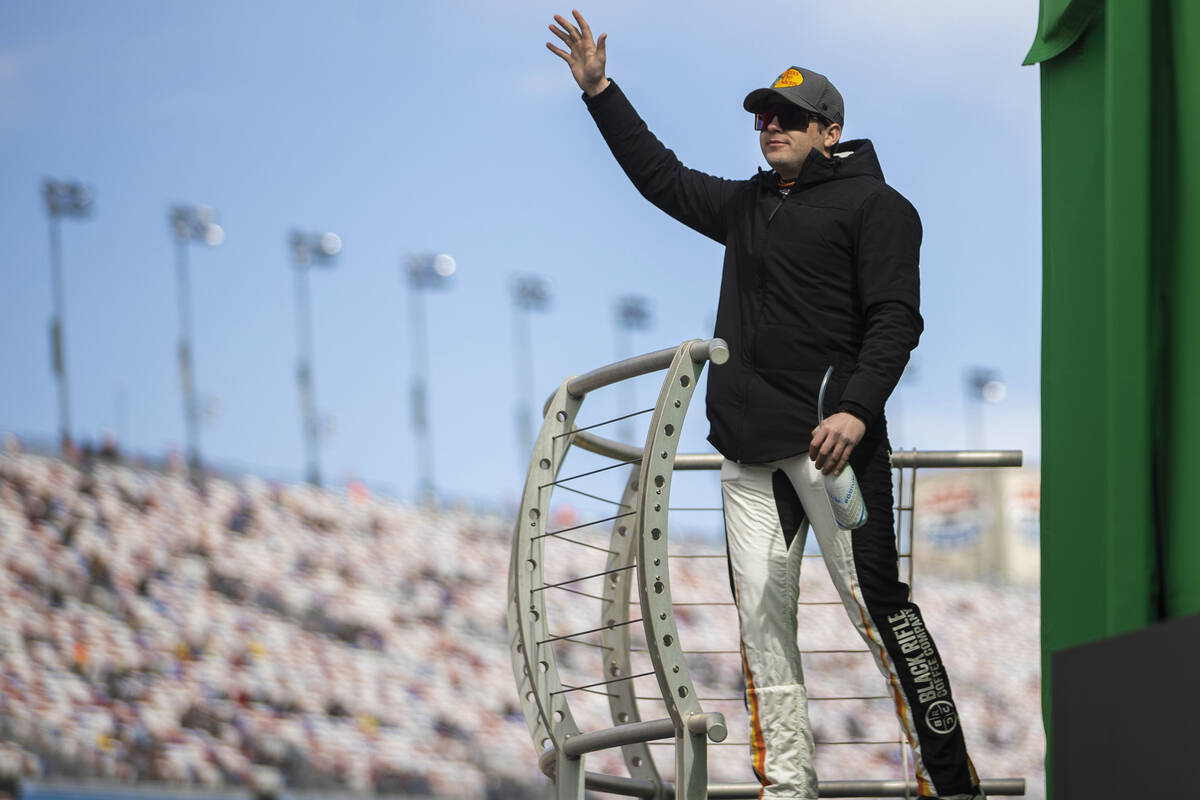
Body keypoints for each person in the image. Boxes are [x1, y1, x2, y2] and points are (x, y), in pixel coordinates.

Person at [546, 11, 984, 800]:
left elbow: (896, 319)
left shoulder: (879, 207)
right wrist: (601, 92)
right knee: (762, 633)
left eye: (788, 117)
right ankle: (788, 787)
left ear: (831, 130)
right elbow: (661, 176)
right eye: (762, 117)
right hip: (747, 457)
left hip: (833, 447)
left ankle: (952, 787)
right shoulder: (748, 205)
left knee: (882, 613)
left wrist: (855, 410)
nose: (770, 126)